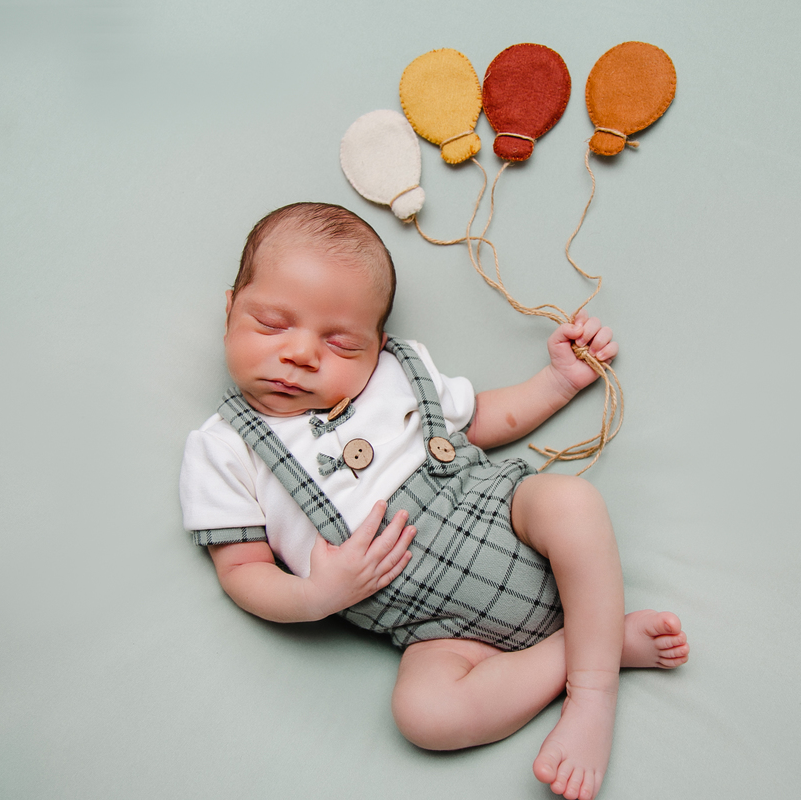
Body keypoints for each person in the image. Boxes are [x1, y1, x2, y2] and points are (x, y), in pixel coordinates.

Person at [180, 202, 689, 800]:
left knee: (571, 501)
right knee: (424, 717)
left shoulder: (396, 374)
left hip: (502, 516)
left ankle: (593, 695)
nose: (301, 355)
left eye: (341, 343)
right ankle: (594, 645)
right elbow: (242, 570)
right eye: (271, 324)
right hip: (434, 628)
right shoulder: (223, 449)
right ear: (229, 310)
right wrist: (316, 595)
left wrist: (557, 382)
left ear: (377, 345)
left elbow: (480, 421)